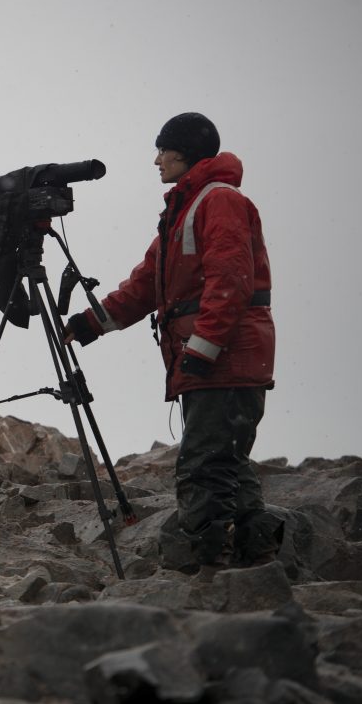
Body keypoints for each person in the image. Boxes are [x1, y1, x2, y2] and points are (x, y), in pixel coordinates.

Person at [64, 112, 282, 573]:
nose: (156, 160)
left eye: (162, 149)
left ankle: (209, 569)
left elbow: (231, 281)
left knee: (203, 464)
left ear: (185, 152)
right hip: (220, 358)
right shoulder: (186, 207)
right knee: (228, 461)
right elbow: (147, 284)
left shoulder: (217, 201)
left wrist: (202, 352)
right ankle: (255, 564)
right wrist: (90, 323)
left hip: (224, 358)